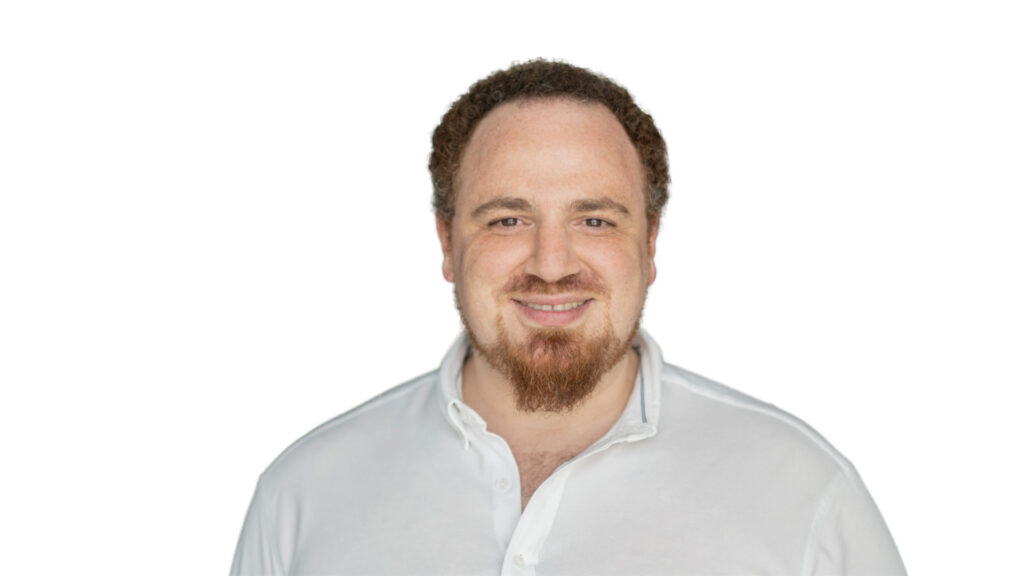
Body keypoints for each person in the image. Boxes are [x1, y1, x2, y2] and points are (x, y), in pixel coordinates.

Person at [230, 60, 906, 576]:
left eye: (595, 220)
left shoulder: (805, 498)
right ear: (446, 242)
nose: (551, 264)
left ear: (650, 244)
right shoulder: (304, 495)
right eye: (508, 219)